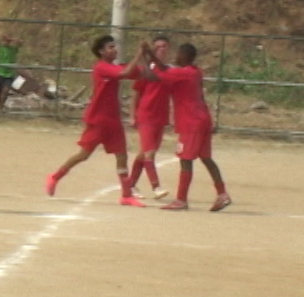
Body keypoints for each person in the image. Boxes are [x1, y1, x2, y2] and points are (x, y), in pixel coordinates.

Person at [45, 35, 145, 208]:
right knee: (84, 154)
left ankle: (126, 195)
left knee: (122, 156)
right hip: (98, 119)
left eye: (115, 46)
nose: (114, 50)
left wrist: (149, 57)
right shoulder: (101, 68)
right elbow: (125, 73)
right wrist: (140, 54)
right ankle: (55, 177)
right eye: (110, 47)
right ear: (101, 52)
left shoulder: (114, 67)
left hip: (113, 120)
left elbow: (140, 73)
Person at [143, 42, 232, 211]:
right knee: (206, 158)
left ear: (185, 57)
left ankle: (181, 200)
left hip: (191, 122)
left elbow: (158, 74)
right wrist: (151, 56)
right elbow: (165, 70)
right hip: (202, 119)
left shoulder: (183, 73)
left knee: (185, 159)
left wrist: (148, 55)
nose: (176, 57)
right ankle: (222, 194)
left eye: (179, 54)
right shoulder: (195, 72)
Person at [128, 35, 171, 200]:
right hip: (146, 115)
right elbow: (136, 94)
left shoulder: (169, 70)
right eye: (158, 47)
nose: (161, 50)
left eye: (164, 46)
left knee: (144, 153)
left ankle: (130, 185)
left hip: (160, 117)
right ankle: (156, 186)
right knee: (150, 153)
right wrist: (133, 115)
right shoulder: (147, 70)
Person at [0, 21, 22, 111]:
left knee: (5, 91)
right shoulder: (0, 48)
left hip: (9, 74)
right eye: (4, 40)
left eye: (7, 40)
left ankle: (1, 107)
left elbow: (20, 42)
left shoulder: (13, 49)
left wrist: (11, 39)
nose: (5, 42)